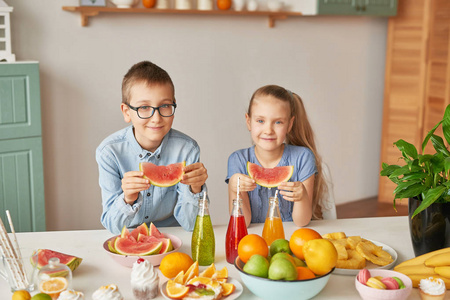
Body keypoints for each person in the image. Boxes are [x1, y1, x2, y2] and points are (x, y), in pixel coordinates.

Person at [96, 61, 208, 234]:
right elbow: (113, 226)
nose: (156, 118)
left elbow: (192, 225)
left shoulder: (187, 149)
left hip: (172, 237)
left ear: (173, 105)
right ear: (126, 112)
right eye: (144, 107)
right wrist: (128, 199)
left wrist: (196, 189)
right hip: (130, 238)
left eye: (164, 106)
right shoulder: (109, 153)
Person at [226, 85, 329, 227]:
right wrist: (234, 188)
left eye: (278, 122)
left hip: (290, 240)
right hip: (253, 242)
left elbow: (302, 222)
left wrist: (302, 197)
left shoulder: (303, 157)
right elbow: (243, 223)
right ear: (248, 121)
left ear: (289, 124)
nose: (268, 130)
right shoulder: (238, 160)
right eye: (260, 121)